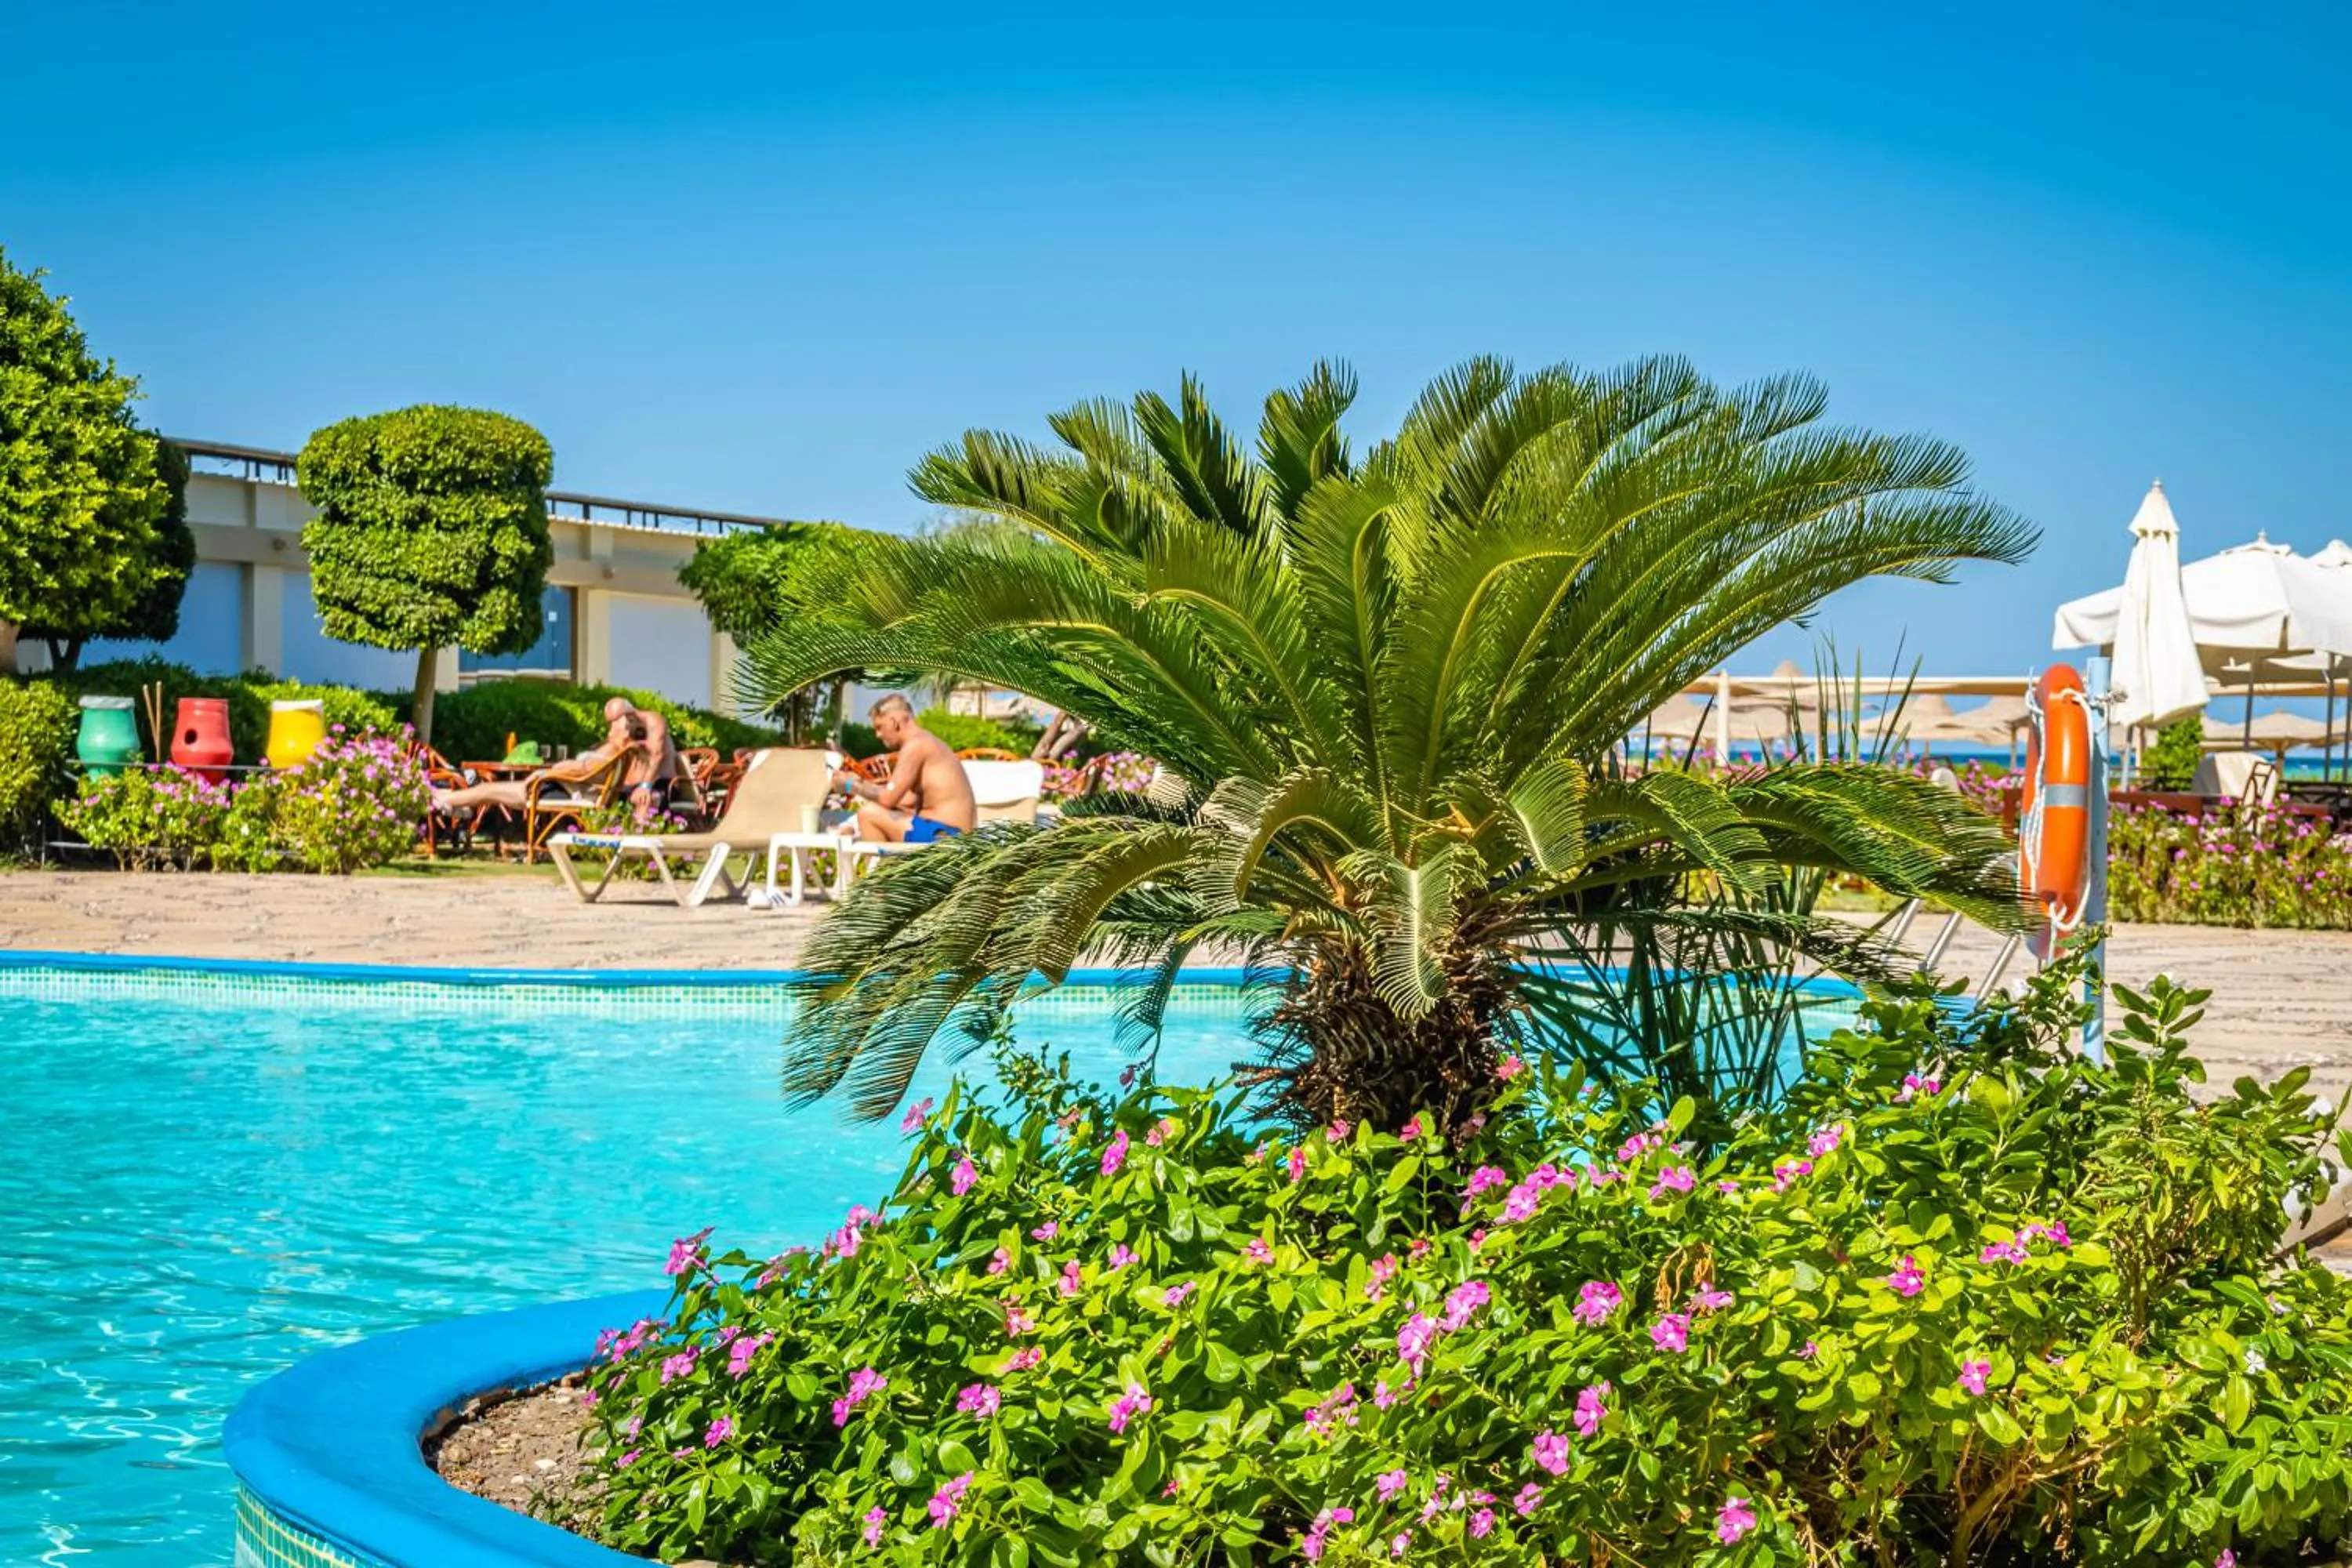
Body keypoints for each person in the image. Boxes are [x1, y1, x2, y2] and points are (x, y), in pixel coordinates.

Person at [430, 698, 652, 817]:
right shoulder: (620, 752)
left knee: (489, 790)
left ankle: (442, 799)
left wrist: (544, 773)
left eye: (615, 724)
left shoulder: (611, 751)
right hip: (564, 787)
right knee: (489, 793)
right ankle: (452, 802)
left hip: (558, 790)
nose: (610, 727)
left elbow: (582, 771)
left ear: (623, 731)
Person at [836, 695, 975, 842]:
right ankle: (884, 864)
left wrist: (851, 785)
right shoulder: (926, 742)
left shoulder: (916, 746)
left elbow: (888, 799)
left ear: (894, 722)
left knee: (868, 814)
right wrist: (862, 784)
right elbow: (905, 802)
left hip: (946, 835)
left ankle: (879, 865)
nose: (878, 735)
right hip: (953, 834)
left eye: (879, 727)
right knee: (872, 814)